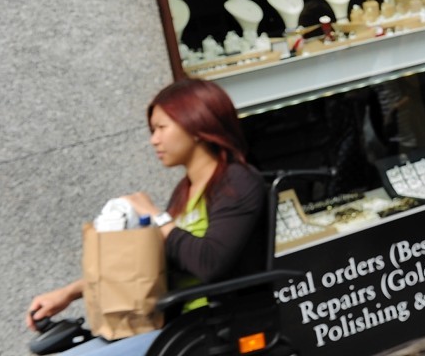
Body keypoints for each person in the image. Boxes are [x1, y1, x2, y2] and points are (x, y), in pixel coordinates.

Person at [26, 78, 267, 354]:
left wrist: (156, 216)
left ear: (198, 125)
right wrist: (70, 292)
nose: (154, 140)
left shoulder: (238, 181)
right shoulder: (185, 190)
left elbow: (209, 263)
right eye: (153, 130)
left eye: (162, 128)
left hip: (210, 326)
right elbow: (153, 264)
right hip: (172, 323)